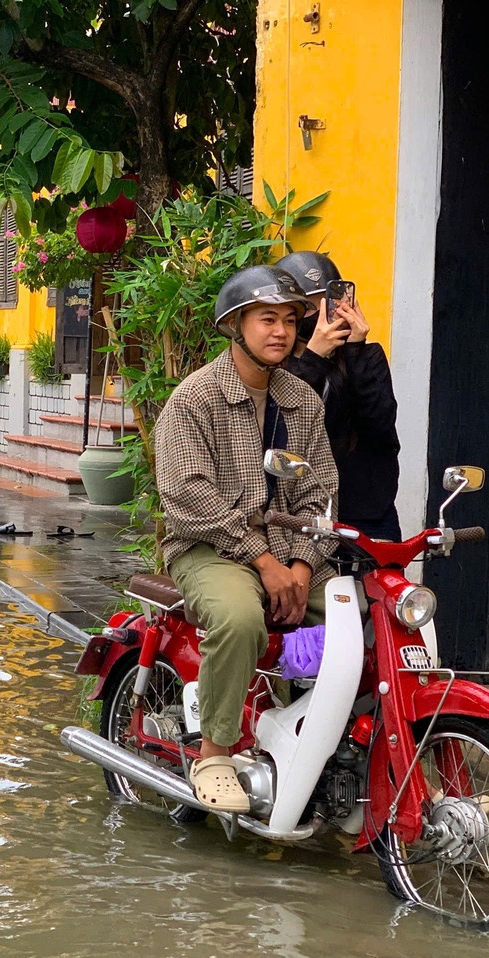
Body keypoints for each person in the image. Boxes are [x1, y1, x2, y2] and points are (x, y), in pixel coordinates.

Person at [153, 264, 339, 812]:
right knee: (238, 619)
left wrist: (301, 566)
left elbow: (321, 491)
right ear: (235, 325)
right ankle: (214, 755)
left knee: (373, 616)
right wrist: (263, 560)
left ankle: (361, 758)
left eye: (290, 320)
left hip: (290, 554)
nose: (281, 331)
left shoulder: (303, 401)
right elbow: (190, 496)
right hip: (209, 548)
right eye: (266, 319)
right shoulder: (194, 400)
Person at [275, 250, 401, 542]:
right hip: (300, 510)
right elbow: (285, 425)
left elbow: (379, 426)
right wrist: (313, 357)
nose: (321, 314)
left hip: (367, 512)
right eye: (310, 306)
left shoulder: (367, 356)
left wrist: (355, 351)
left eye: (328, 302)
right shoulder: (277, 364)